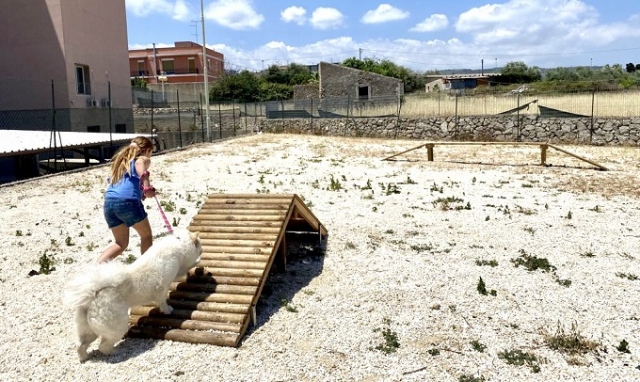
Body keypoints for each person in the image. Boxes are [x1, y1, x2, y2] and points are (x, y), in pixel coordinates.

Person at [97, 136, 157, 263]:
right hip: (128, 202)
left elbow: (125, 183)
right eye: (151, 152)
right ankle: (146, 268)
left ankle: (96, 268)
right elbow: (141, 164)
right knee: (146, 236)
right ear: (146, 150)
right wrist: (147, 187)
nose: (150, 156)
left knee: (120, 243)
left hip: (109, 203)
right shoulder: (141, 158)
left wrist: (141, 193)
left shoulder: (121, 163)